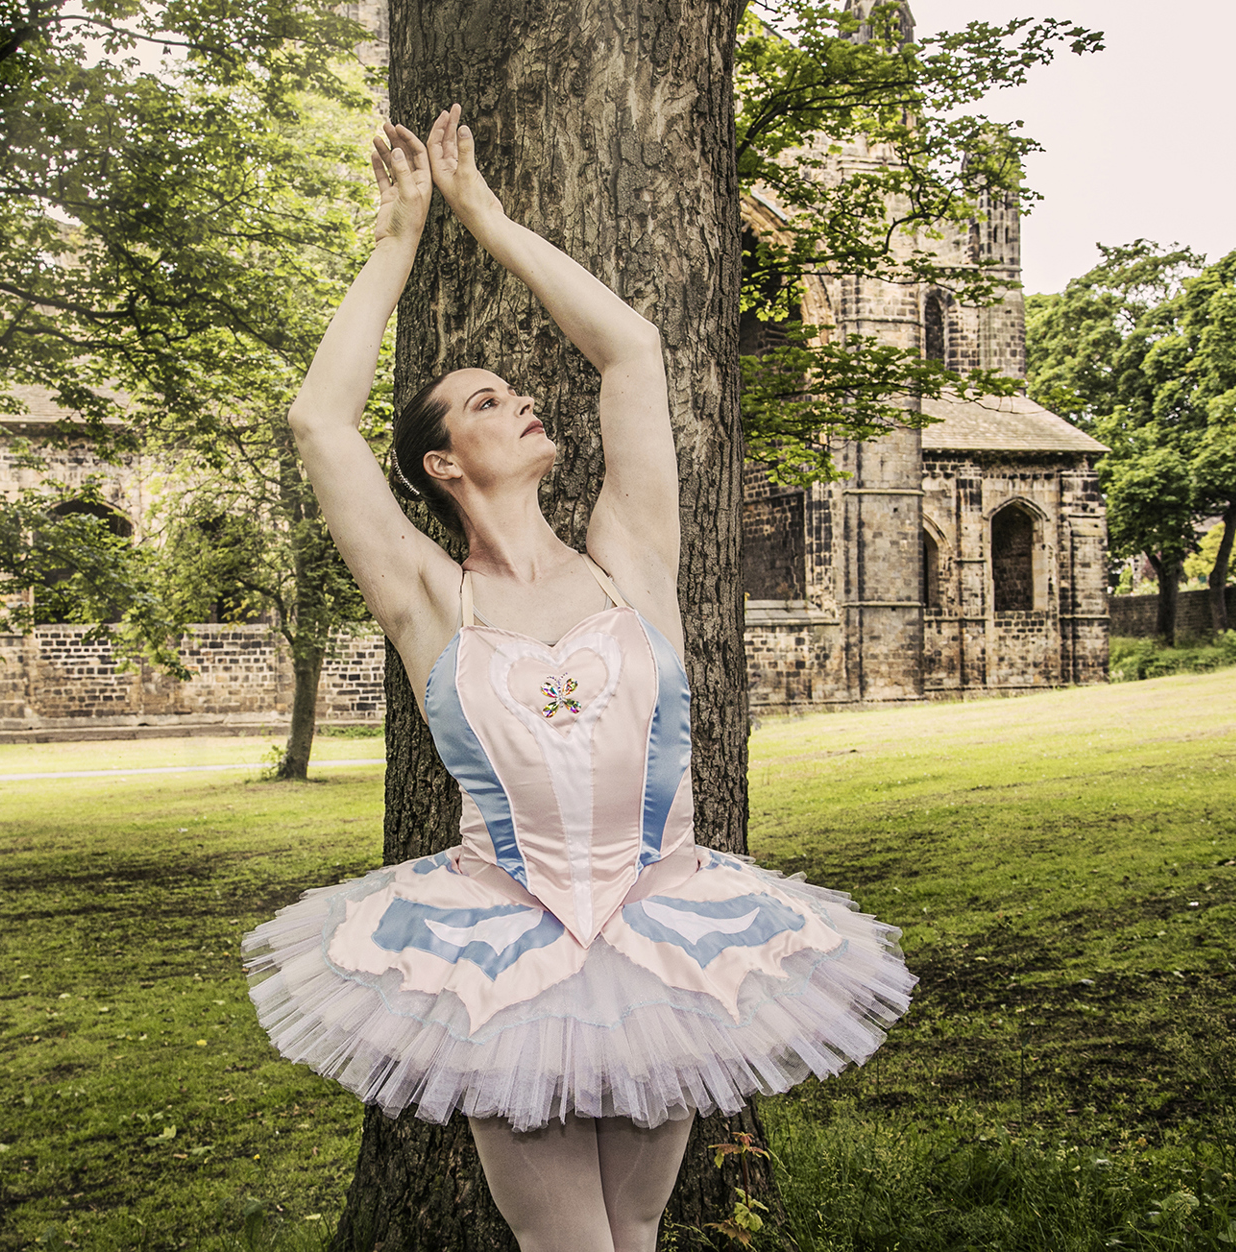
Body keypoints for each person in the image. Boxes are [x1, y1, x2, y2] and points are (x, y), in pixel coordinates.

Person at [243, 107, 915, 1252]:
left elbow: (633, 350)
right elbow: (319, 420)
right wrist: (399, 241)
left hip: (669, 939)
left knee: (639, 1232)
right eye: (487, 400)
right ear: (446, 462)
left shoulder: (630, 559)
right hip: (508, 958)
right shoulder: (427, 597)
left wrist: (488, 217)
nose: (521, 399)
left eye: (515, 387)